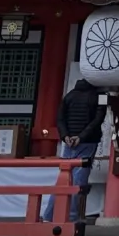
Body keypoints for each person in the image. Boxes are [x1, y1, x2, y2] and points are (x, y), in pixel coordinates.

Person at [41, 78, 104, 222]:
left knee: (63, 179)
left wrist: (65, 136)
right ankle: (72, 216)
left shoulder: (69, 96)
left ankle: (49, 215)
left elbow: (60, 119)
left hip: (69, 143)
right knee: (77, 181)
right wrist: (81, 137)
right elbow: (97, 120)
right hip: (87, 142)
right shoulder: (98, 96)